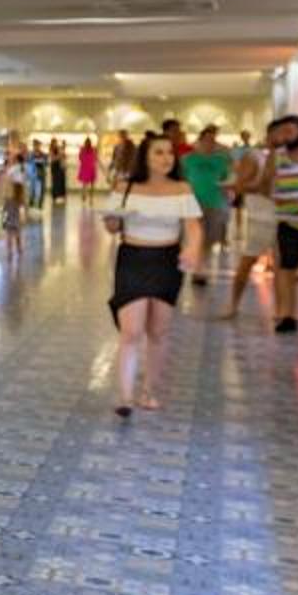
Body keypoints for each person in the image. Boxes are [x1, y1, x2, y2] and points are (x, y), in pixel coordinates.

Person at [105, 131, 201, 417]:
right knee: (131, 331)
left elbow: (194, 227)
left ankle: (149, 391)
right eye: (158, 152)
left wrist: (192, 248)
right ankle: (125, 396)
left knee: (158, 331)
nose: (166, 158)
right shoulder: (125, 186)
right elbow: (112, 227)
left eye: (170, 153)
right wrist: (112, 218)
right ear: (144, 157)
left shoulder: (182, 188)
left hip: (167, 261)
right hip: (132, 259)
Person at [250, 114, 298, 332]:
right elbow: (264, 185)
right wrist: (278, 196)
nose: (285, 136)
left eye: (290, 131)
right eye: (282, 132)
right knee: (286, 268)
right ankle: (287, 315)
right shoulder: (277, 156)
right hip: (288, 222)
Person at [177, 123, 236, 287]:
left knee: (210, 238)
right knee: (196, 236)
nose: (210, 143)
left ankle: (202, 266)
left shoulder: (221, 160)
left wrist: (227, 189)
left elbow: (229, 177)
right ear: (200, 141)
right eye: (207, 140)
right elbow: (181, 179)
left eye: (213, 140)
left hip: (215, 202)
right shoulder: (188, 159)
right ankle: (198, 269)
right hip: (194, 202)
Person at [0, 133, 29, 253]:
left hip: (13, 197)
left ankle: (14, 245)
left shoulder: (16, 169)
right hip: (10, 198)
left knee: (12, 222)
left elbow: (19, 184)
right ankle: (13, 245)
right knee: (12, 222)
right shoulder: (12, 168)